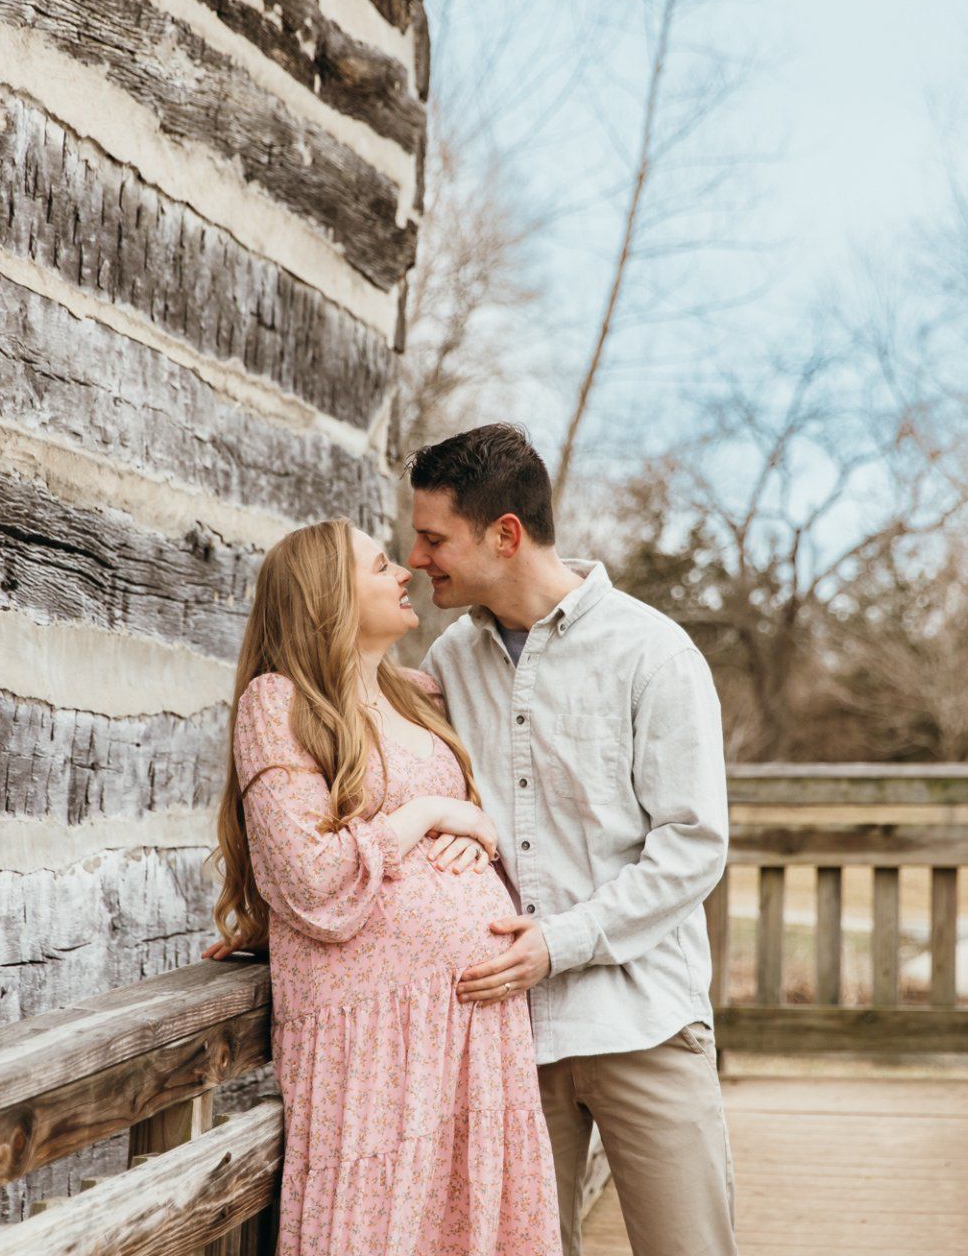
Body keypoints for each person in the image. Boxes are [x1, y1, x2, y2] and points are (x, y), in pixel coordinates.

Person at [406, 424, 738, 1256]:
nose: (417, 558)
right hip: (508, 1034)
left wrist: (561, 943)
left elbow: (692, 846)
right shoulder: (452, 657)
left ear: (504, 535)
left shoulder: (653, 653)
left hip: (643, 1021)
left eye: (435, 538)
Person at [207, 518, 561, 1256]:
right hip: (370, 1030)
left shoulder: (417, 692)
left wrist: (475, 826)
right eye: (377, 567)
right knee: (378, 1226)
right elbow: (307, 872)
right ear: (328, 597)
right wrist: (435, 813)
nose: (403, 572)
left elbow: (498, 807)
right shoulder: (278, 703)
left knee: (476, 1220)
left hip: (474, 1018)